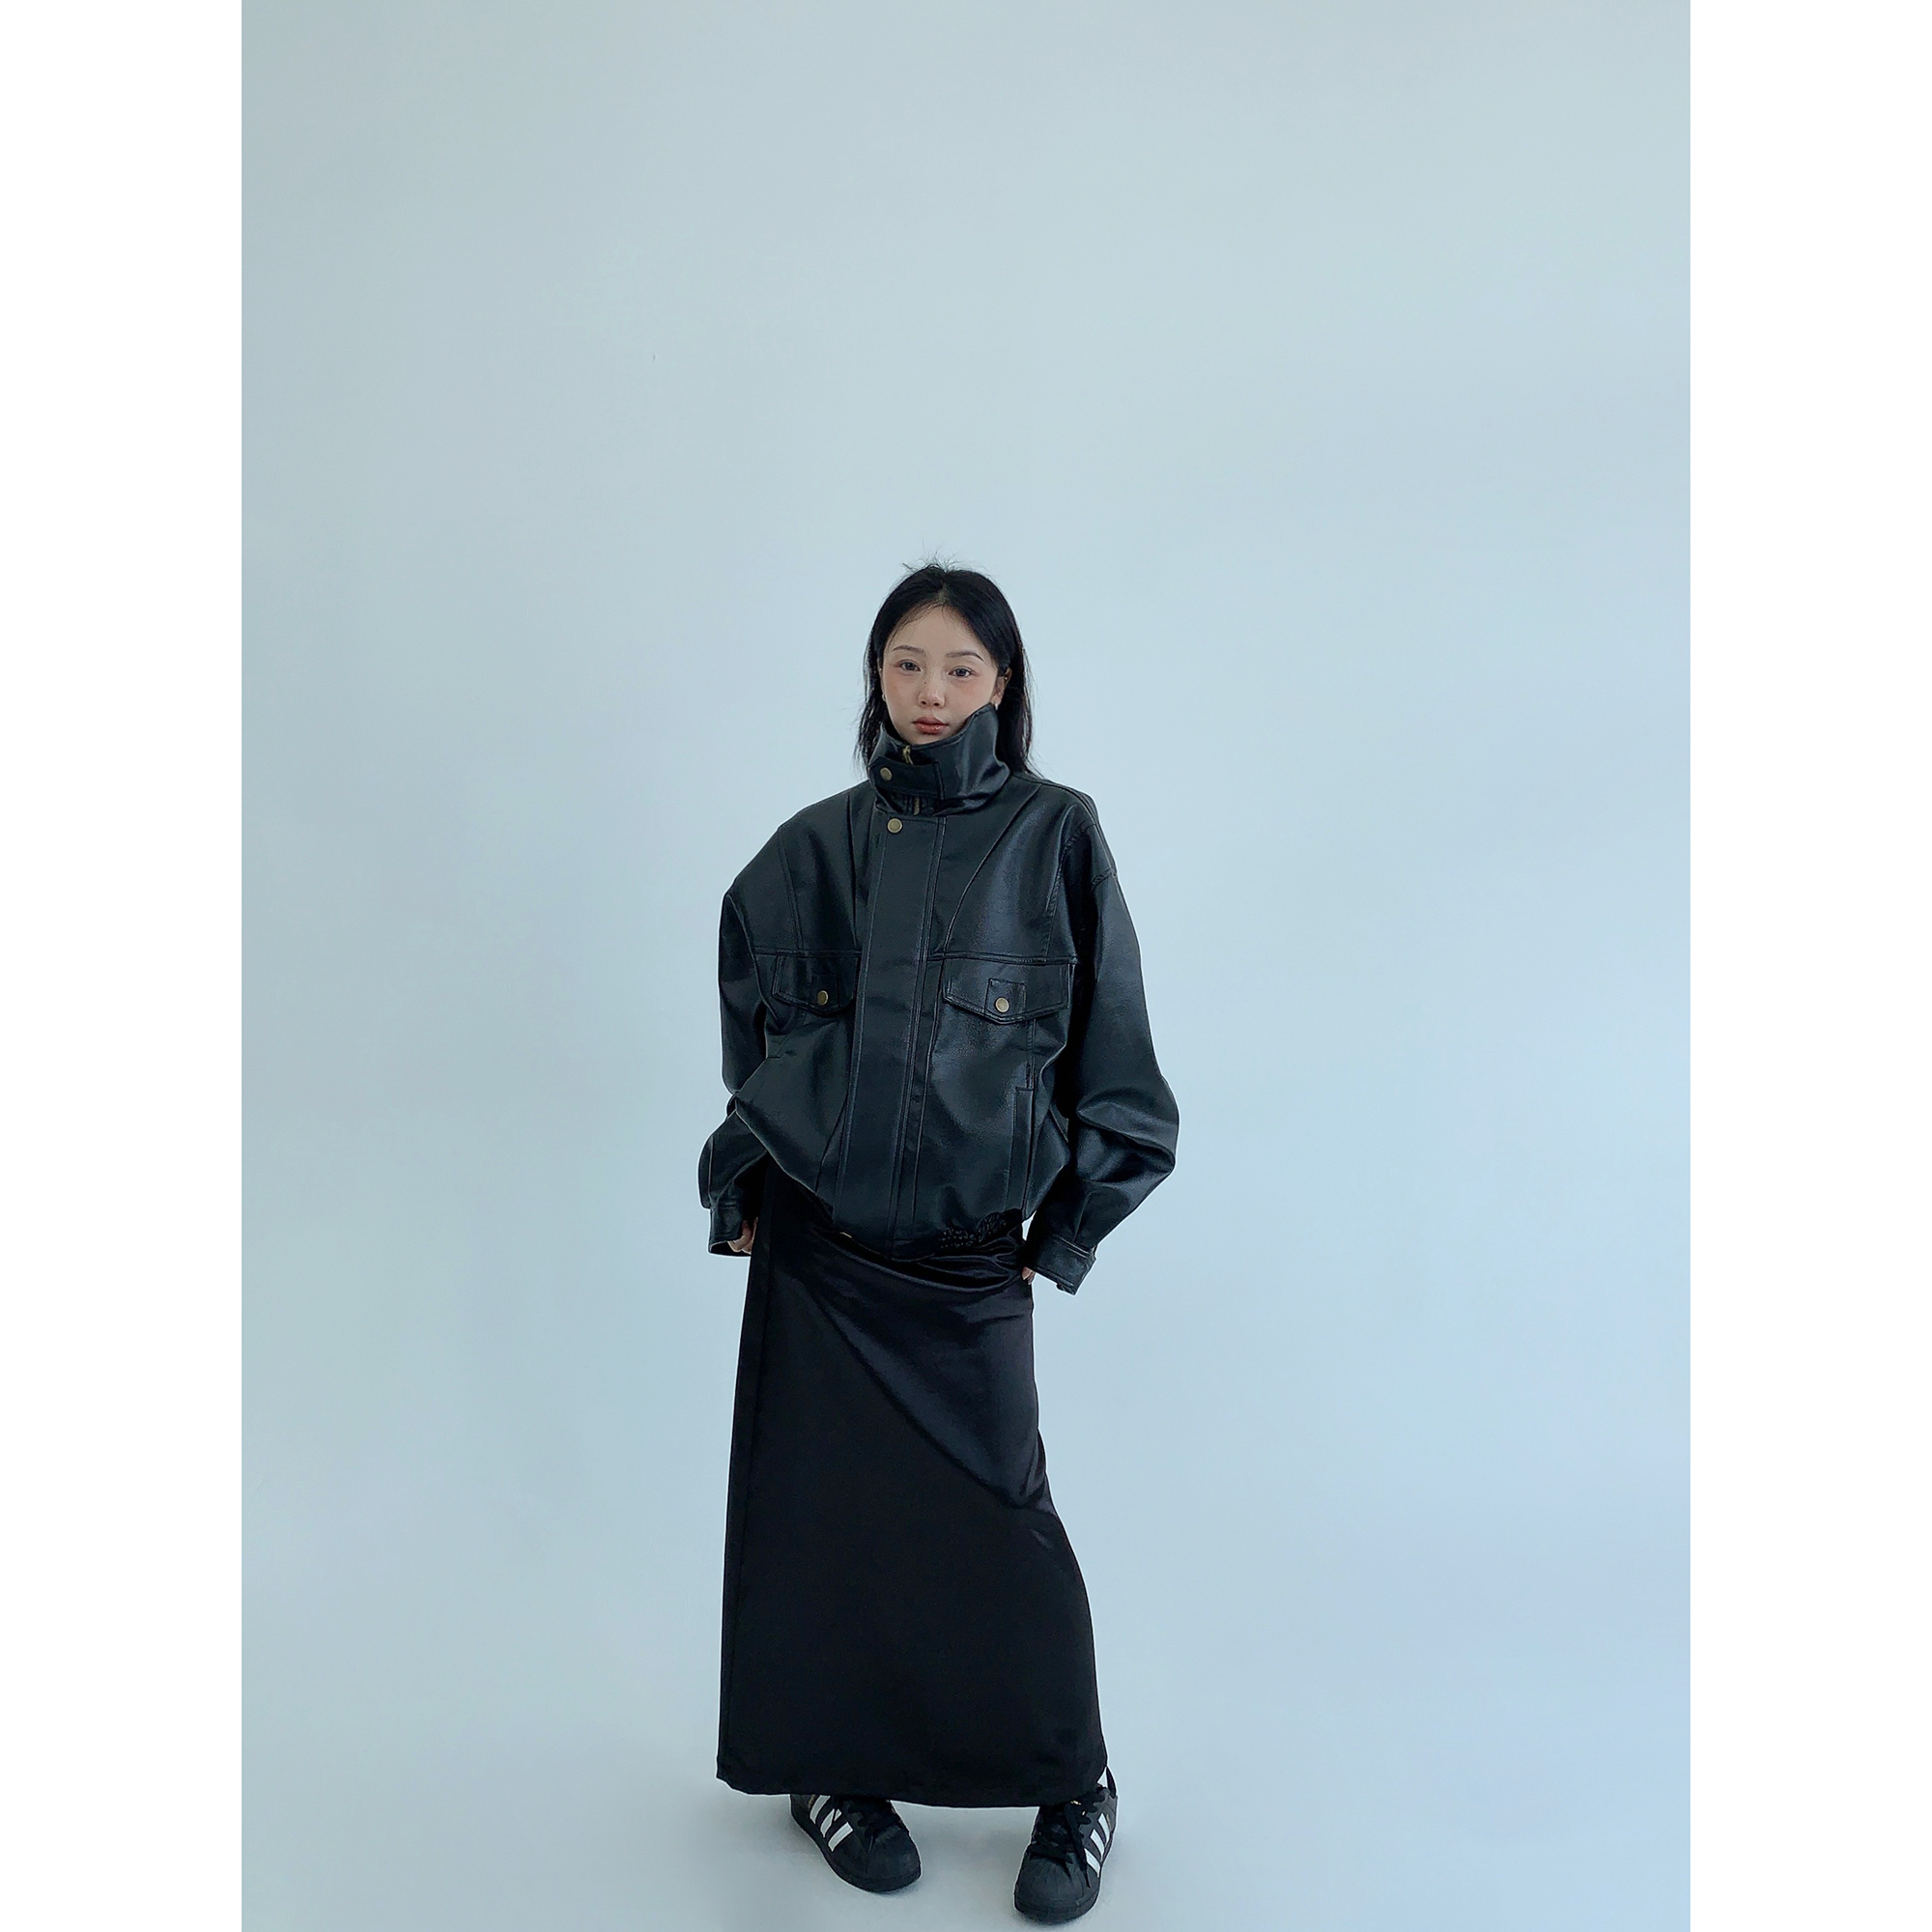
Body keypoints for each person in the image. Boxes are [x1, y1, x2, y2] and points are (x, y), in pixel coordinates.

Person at [697, 562, 1179, 1923]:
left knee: (1002, 1522)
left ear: (1003, 684)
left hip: (970, 1255)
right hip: (820, 1257)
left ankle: (1073, 1782)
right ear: (876, 674)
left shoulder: (1056, 835)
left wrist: (1060, 1233)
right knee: (814, 1520)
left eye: (961, 668)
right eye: (906, 663)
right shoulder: (809, 848)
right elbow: (754, 1037)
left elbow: (1120, 1072)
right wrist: (755, 1179)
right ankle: (829, 1769)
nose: (931, 693)